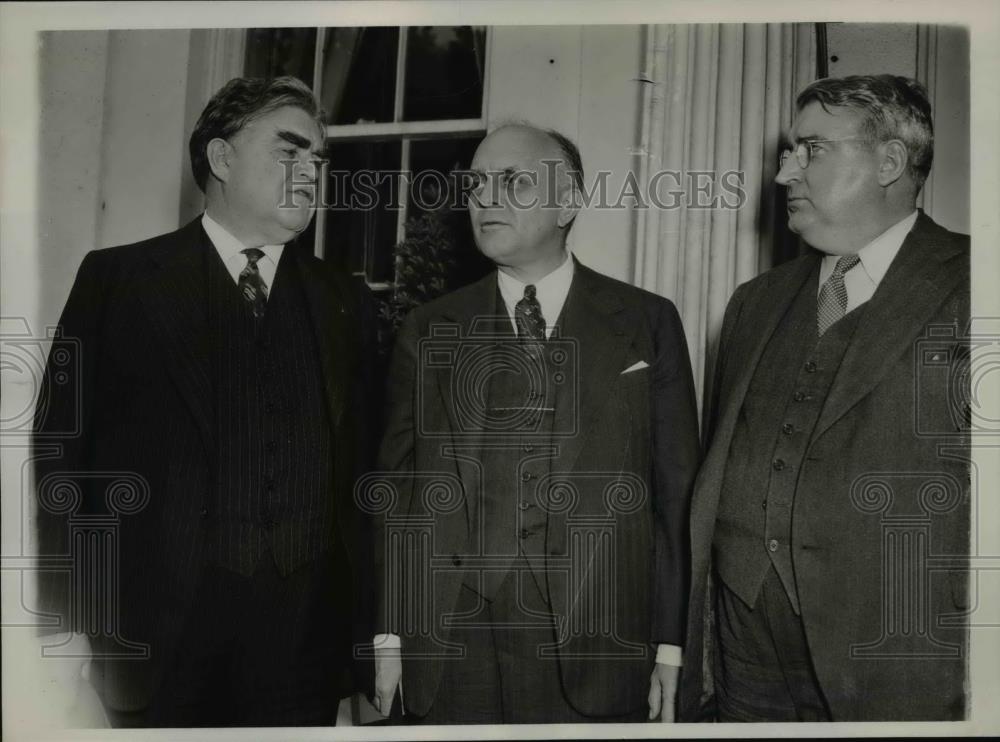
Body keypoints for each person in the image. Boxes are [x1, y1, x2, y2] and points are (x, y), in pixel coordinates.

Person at [33, 76, 377, 727]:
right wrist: (61, 623)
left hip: (299, 652)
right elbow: (59, 461)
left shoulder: (346, 303)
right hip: (152, 643)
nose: (310, 172)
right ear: (221, 159)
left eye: (318, 160)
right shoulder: (118, 282)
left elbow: (366, 483)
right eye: (289, 151)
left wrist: (370, 635)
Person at [367, 124, 700, 724]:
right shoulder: (429, 327)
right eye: (476, 185)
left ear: (569, 201)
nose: (484, 200)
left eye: (512, 182)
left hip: (597, 644)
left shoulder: (646, 322)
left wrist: (671, 646)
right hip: (451, 640)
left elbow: (676, 501)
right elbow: (397, 494)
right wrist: (390, 636)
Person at [679, 75, 970, 722]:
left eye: (810, 149)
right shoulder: (754, 304)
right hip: (743, 652)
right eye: (789, 152)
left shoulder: (978, 284)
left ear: (889, 162)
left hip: (899, 663)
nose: (785, 174)